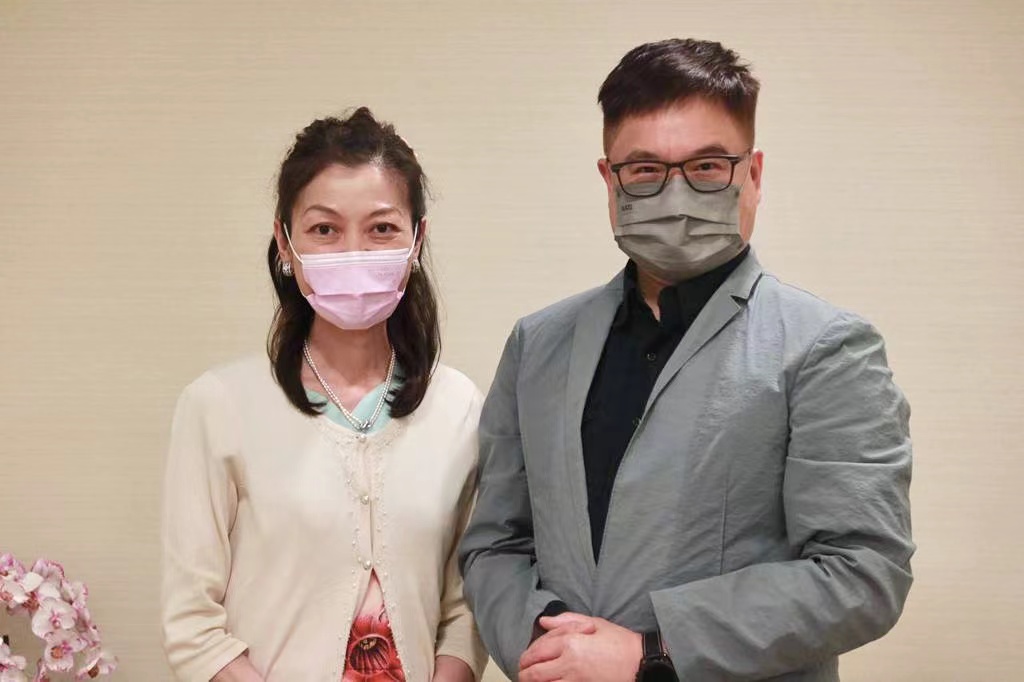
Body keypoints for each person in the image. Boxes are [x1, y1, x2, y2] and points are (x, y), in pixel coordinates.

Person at [459, 38, 914, 682]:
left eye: (707, 165)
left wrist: (652, 651)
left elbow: (862, 573)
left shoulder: (827, 346)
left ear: (753, 174)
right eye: (645, 169)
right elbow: (495, 544)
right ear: (609, 180)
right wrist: (549, 645)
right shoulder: (538, 343)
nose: (676, 195)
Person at [161, 108, 486, 682]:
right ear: (285, 242)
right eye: (324, 229)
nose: (353, 251)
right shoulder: (218, 406)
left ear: (417, 240)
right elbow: (193, 627)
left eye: (381, 228)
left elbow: (466, 607)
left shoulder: (458, 406)